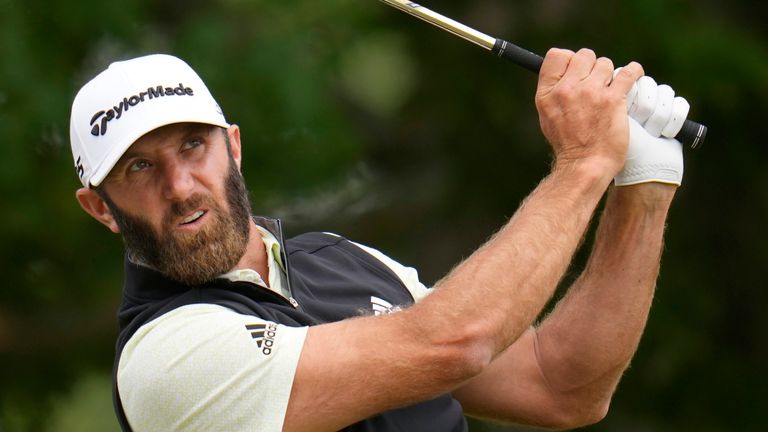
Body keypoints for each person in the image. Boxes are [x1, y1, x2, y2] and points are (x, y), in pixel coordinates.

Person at [69, 50, 686, 431]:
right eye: (140, 169)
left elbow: (561, 385)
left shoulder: (340, 259)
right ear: (101, 207)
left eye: (191, 145)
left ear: (233, 145)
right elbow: (454, 342)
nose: (181, 186)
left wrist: (643, 185)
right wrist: (582, 164)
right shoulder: (164, 355)